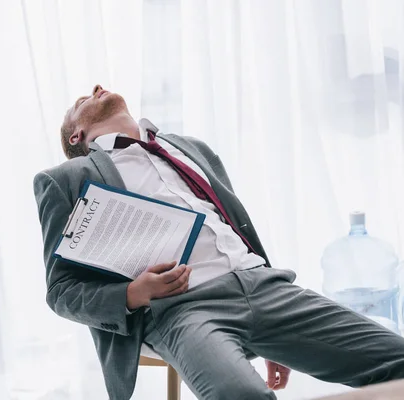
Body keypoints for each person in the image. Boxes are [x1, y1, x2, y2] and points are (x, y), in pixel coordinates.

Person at [33, 85, 404, 400]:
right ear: (75, 136)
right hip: (184, 307)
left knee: (396, 361)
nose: (98, 88)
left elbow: (233, 228)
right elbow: (61, 291)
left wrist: (277, 336)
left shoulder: (190, 148)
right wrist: (134, 293)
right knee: (240, 396)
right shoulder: (66, 179)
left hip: (266, 288)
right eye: (83, 100)